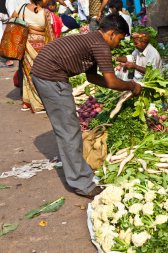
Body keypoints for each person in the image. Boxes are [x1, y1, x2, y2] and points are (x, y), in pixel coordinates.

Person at [30, 14, 142, 198]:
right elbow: (112, 81)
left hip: (45, 71)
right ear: (112, 33)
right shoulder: (101, 46)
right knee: (69, 130)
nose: (119, 44)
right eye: (120, 39)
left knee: (67, 128)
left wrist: (118, 86)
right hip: (50, 76)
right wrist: (131, 85)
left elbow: (92, 77)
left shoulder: (93, 39)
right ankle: (82, 183)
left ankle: (79, 172)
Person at [11, 0, 55, 113]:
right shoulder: (45, 12)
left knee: (27, 73)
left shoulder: (22, 8)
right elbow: (49, 32)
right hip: (41, 48)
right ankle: (39, 102)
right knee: (41, 74)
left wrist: (27, 26)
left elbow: (12, 20)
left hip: (25, 44)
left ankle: (27, 103)